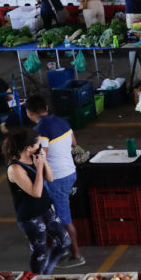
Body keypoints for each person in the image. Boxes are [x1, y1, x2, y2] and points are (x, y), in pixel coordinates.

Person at [25, 97, 84, 268]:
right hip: (70, 172)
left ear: (29, 113)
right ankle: (63, 246)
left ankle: (77, 255)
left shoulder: (40, 130)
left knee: (63, 218)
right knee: (53, 214)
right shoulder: (62, 122)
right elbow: (74, 143)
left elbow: (41, 156)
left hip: (56, 178)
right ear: (46, 107)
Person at [4, 130, 71, 275]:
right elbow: (36, 192)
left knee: (64, 241)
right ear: (28, 147)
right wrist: (39, 167)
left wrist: (44, 161)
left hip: (45, 209)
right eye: (38, 144)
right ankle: (38, 278)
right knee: (39, 252)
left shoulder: (34, 158)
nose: (41, 146)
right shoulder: (15, 168)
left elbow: (50, 178)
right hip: (30, 217)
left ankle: (46, 273)